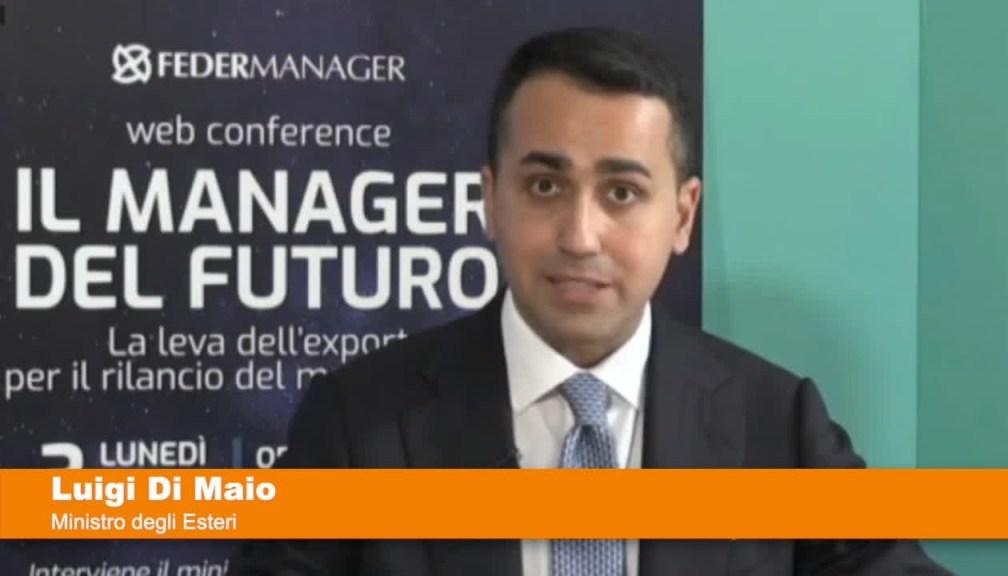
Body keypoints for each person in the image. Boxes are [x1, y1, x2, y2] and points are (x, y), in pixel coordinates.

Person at [230, 27, 954, 576]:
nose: (580, 236)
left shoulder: (777, 424)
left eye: (623, 193)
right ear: (491, 199)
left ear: (683, 216)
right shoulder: (357, 426)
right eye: (545, 186)